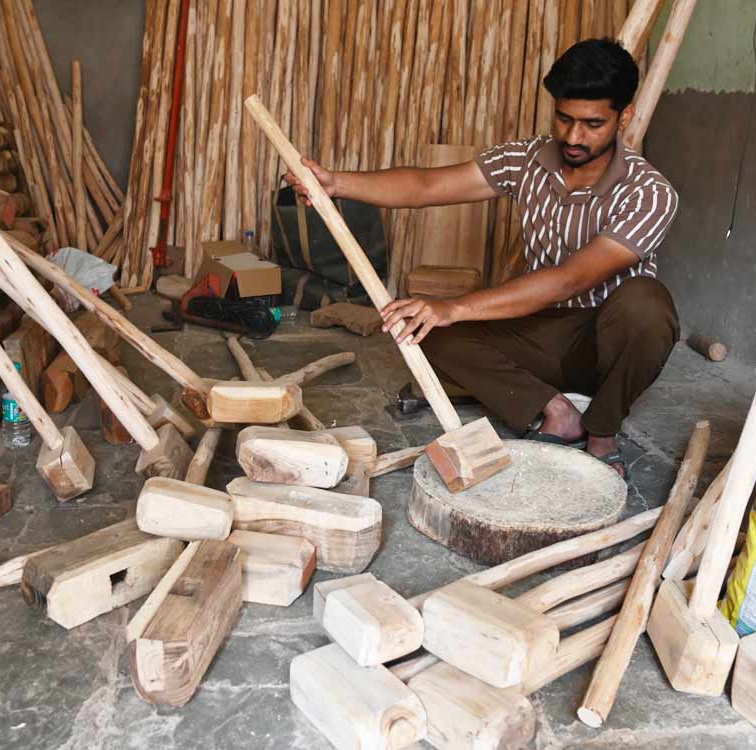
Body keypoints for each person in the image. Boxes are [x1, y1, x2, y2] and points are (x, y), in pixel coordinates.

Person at [286, 38, 680, 478]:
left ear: (624, 117)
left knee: (647, 305)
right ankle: (556, 410)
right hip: (540, 332)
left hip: (605, 344)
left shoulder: (649, 192)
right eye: (564, 118)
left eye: (593, 124)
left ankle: (603, 431)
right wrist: (336, 183)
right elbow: (427, 187)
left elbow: (570, 280)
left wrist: (455, 306)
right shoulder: (526, 159)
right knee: (422, 327)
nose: (573, 137)